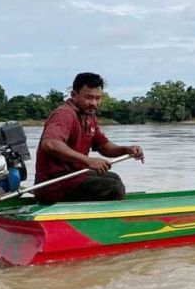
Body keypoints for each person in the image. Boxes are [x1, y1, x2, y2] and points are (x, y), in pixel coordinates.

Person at [34, 72, 144, 203]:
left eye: (98, 98)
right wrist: (88, 160)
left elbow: (104, 147)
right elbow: (50, 144)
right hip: (54, 183)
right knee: (114, 188)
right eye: (89, 98)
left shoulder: (89, 116)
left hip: (74, 177)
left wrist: (127, 149)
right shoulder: (64, 114)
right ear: (74, 95)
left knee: (113, 178)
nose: (94, 103)